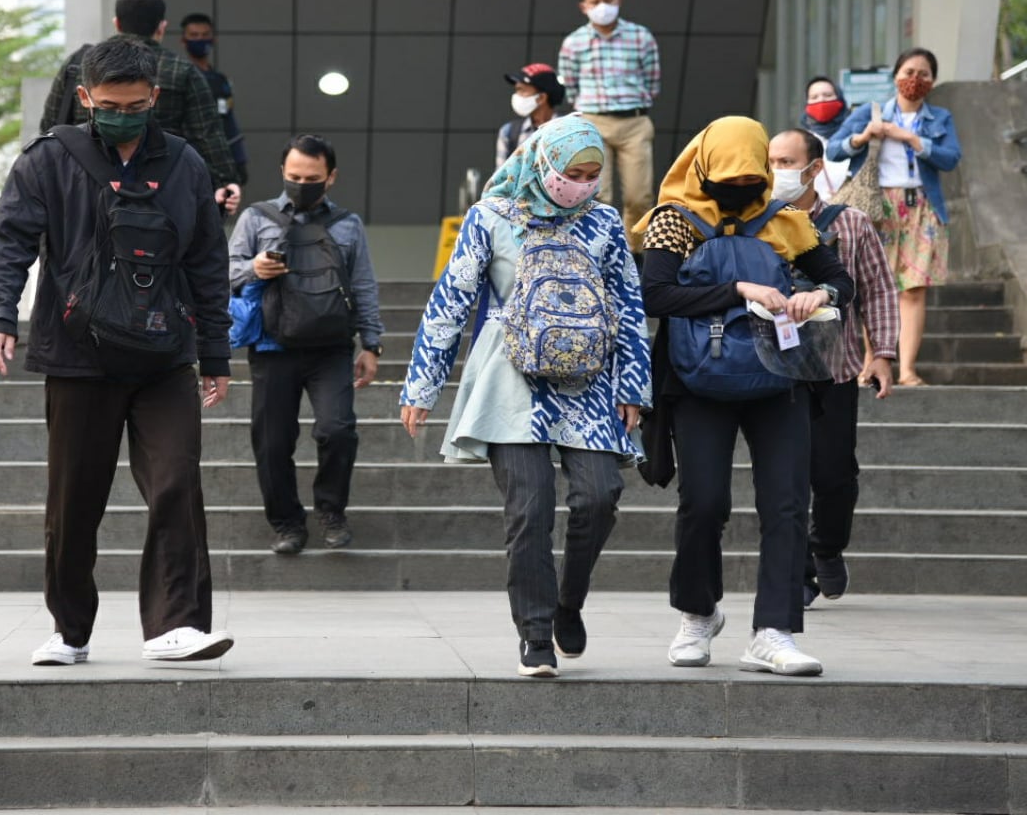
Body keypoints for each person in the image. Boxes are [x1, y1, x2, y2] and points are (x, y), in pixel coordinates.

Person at [0, 38, 235, 666]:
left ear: (155, 98)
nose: (122, 113)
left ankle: (177, 624)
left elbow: (207, 261)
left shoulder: (185, 164)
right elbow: (7, 241)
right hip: (77, 355)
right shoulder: (47, 161)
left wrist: (216, 351)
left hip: (164, 357)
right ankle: (70, 630)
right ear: (86, 97)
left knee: (176, 482)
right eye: (110, 104)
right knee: (73, 502)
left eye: (136, 104)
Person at [400, 116, 651, 678]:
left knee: (600, 495)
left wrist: (634, 385)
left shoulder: (606, 222)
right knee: (530, 509)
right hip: (510, 379)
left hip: (589, 379)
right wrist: (423, 384)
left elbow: (630, 308)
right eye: (572, 172)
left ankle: (568, 603)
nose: (581, 183)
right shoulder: (491, 215)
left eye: (592, 174)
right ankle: (536, 634)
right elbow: (451, 300)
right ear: (543, 162)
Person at [635, 117, 853, 677]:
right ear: (701, 168)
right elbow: (655, 294)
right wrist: (738, 290)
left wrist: (819, 294)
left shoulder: (786, 221)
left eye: (751, 175)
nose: (739, 187)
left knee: (785, 503)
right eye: (725, 178)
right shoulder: (672, 221)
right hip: (696, 380)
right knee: (703, 502)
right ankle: (697, 612)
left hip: (779, 378)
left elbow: (838, 280)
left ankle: (773, 631)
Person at [227, 135, 384, 554]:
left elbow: (364, 284)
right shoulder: (255, 218)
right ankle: (287, 523)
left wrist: (371, 343)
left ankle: (331, 510)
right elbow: (223, 274)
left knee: (337, 430)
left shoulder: (348, 224)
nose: (302, 183)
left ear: (330, 177)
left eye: (312, 178)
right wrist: (253, 268)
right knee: (272, 441)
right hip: (272, 345)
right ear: (282, 172)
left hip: (331, 347)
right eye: (294, 176)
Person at [769, 129, 900, 606]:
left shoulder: (852, 224)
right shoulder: (760, 223)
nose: (777, 170)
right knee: (787, 476)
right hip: (776, 373)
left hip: (837, 369)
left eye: (786, 161)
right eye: (771, 161)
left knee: (833, 474)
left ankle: (827, 546)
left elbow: (879, 290)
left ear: (814, 167)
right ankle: (799, 572)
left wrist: (881, 352)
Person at [39, 0, 242, 215]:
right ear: (161, 27)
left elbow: (50, 124)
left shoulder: (80, 64)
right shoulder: (182, 71)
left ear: (117, 23)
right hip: (159, 193)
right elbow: (207, 135)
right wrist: (226, 181)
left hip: (81, 187)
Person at [826, 47, 961, 387]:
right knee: (875, 287)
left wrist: (914, 140)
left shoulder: (940, 118)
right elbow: (834, 148)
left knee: (913, 290)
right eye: (909, 71)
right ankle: (871, 363)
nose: (915, 79)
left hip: (922, 207)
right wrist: (864, 136)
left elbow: (950, 158)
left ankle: (908, 370)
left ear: (933, 81)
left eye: (924, 74)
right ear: (896, 76)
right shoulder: (870, 113)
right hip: (878, 208)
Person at [557, 0, 661, 249]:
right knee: (595, 194)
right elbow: (569, 87)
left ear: (619, 1)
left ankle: (635, 256)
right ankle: (597, 252)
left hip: (634, 123)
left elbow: (653, 82)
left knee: (639, 197)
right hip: (592, 123)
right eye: (595, 1)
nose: (602, 5)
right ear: (584, 7)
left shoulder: (641, 36)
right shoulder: (573, 43)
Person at [181, 12, 248, 184]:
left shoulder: (220, 80)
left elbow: (229, 121)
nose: (200, 39)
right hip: (191, 159)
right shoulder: (181, 77)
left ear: (213, 39)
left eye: (205, 35)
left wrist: (239, 159)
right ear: (184, 40)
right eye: (194, 35)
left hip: (222, 160)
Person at [495, 63, 567, 170]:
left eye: (522, 90)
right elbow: (501, 180)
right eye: (516, 90)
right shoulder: (509, 132)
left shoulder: (568, 131)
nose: (516, 96)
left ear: (541, 98)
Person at [798, 77, 851, 200]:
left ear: (839, 98)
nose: (821, 100)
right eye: (814, 97)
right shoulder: (802, 140)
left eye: (827, 95)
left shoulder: (856, 135)